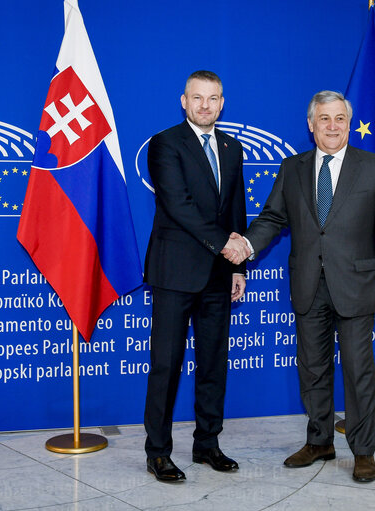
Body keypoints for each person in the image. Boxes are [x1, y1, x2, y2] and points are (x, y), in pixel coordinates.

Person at [231, 90, 375, 483]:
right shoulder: (293, 168)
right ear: (311, 124)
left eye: (340, 118)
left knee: (359, 370)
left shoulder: (374, 167)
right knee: (312, 369)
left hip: (357, 287)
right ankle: (320, 440)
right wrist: (247, 244)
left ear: (348, 122)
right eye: (324, 119)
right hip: (308, 285)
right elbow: (273, 218)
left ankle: (362, 451)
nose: (332, 126)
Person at [143, 70, 249, 482]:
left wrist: (238, 265)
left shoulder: (231, 147)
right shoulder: (165, 144)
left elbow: (235, 209)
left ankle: (207, 444)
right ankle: (158, 452)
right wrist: (226, 245)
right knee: (166, 365)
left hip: (219, 276)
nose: (205, 105)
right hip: (175, 272)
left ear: (222, 103)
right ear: (183, 101)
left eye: (213, 98)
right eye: (197, 98)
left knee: (212, 365)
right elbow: (179, 205)